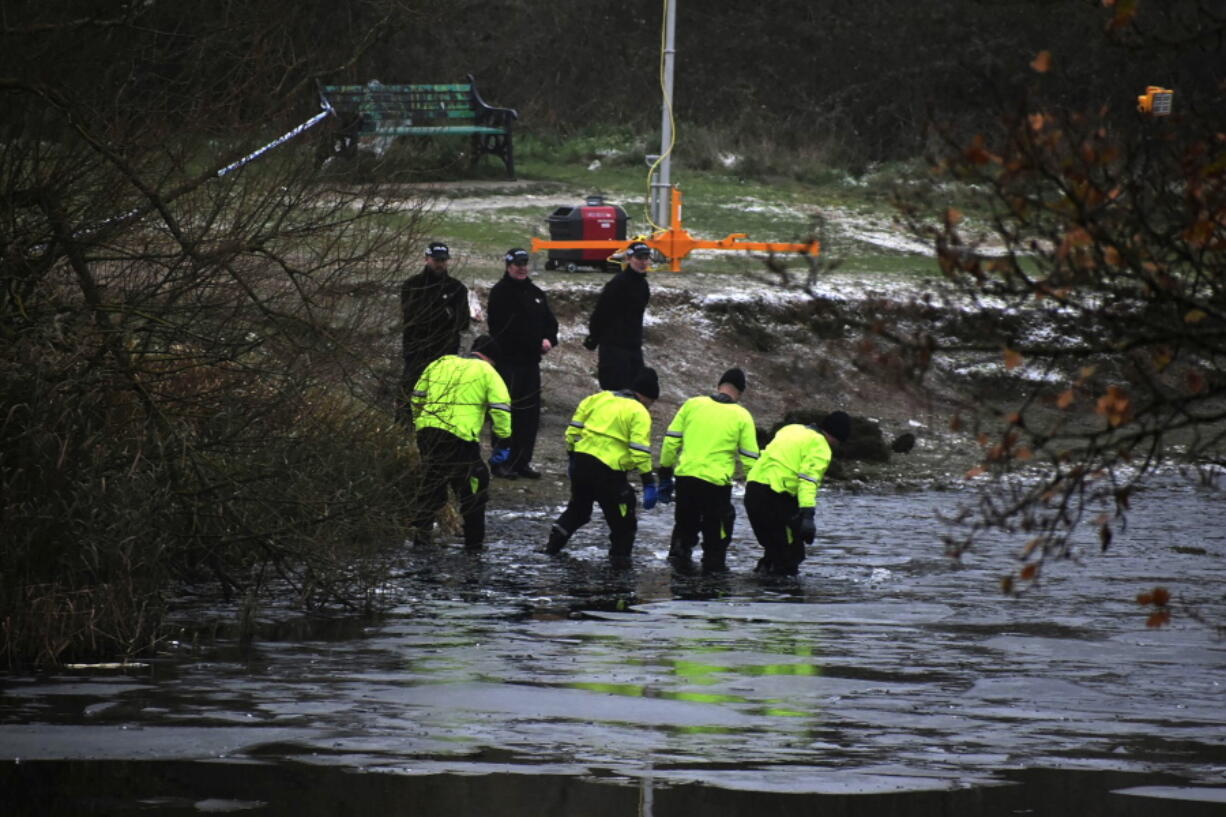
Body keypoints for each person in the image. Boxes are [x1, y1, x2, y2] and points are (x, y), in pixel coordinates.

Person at [544, 367, 661, 569]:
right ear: (647, 397)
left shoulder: (598, 398)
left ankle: (551, 549)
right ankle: (619, 570)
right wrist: (648, 481)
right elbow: (639, 450)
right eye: (651, 403)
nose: (650, 407)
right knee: (623, 523)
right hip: (609, 472)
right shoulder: (638, 411)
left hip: (581, 463)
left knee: (578, 510)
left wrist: (573, 456)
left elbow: (572, 431)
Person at [409, 334, 511, 549]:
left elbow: (417, 396)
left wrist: (420, 422)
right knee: (473, 485)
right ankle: (474, 544)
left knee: (432, 482)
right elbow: (501, 409)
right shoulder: (487, 372)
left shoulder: (441, 363)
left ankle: (420, 536)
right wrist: (503, 439)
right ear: (492, 358)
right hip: (459, 437)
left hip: (428, 432)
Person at [658, 367, 760, 574]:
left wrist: (665, 473)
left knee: (684, 532)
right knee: (716, 540)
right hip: (715, 485)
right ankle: (712, 590)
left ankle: (678, 585)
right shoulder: (742, 415)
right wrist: (755, 486)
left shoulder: (692, 404)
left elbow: (671, 441)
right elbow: (750, 459)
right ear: (740, 393)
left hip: (686, 478)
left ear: (719, 385)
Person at [744, 411, 851, 576]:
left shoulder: (791, 429)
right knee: (790, 556)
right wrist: (808, 516)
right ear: (836, 436)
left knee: (774, 549)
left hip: (752, 491)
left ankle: (762, 590)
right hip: (774, 496)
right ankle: (784, 597)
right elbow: (808, 481)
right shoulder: (820, 446)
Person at [486, 247, 559, 480]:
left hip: (530, 364)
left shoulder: (535, 293)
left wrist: (548, 339)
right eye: (518, 264)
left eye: (525, 264)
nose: (522, 268)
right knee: (506, 414)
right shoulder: (500, 293)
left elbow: (550, 322)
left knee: (529, 416)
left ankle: (522, 461)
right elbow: (502, 330)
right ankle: (501, 462)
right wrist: (534, 342)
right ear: (508, 266)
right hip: (508, 363)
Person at [399, 241, 471, 423]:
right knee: (409, 393)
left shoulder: (457, 288)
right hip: (417, 351)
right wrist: (444, 313)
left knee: (441, 397)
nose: (440, 264)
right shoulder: (412, 286)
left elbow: (462, 322)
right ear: (426, 259)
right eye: (437, 260)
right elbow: (413, 317)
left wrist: (442, 317)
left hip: (445, 353)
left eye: (444, 260)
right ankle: (403, 430)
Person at [583, 240, 652, 390]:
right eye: (639, 258)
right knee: (614, 389)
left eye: (646, 258)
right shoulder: (618, 283)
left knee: (635, 389)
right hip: (613, 346)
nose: (643, 262)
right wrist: (594, 337)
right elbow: (601, 312)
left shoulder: (643, 285)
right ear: (629, 259)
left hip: (633, 346)